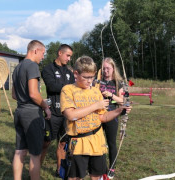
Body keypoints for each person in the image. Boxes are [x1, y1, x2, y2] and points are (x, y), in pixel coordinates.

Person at [60, 56, 132, 180]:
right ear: (76, 74)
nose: (89, 81)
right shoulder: (68, 90)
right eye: (86, 77)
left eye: (92, 77)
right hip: (78, 143)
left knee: (97, 176)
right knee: (75, 177)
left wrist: (119, 110)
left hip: (97, 142)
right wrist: (95, 105)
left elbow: (103, 117)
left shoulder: (95, 92)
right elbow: (71, 115)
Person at [12, 40, 51, 180]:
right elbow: (34, 94)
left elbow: (14, 95)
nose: (43, 57)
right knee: (35, 153)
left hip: (19, 111)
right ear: (35, 51)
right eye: (42, 53)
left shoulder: (17, 67)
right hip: (31, 114)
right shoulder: (32, 66)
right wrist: (45, 106)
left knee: (19, 151)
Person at [41, 44, 75, 177]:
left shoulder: (68, 72)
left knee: (62, 143)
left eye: (70, 56)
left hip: (66, 113)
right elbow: (51, 86)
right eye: (68, 55)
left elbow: (73, 89)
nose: (69, 59)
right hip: (53, 113)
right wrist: (68, 87)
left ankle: (59, 171)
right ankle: (35, 170)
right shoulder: (48, 69)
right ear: (60, 53)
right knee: (46, 143)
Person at [99, 57, 124, 179]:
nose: (105, 71)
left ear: (113, 68)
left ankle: (112, 167)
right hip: (99, 115)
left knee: (111, 143)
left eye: (108, 68)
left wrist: (111, 95)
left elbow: (122, 101)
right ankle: (100, 167)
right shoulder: (98, 81)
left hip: (112, 116)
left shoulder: (118, 83)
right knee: (99, 142)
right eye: (103, 68)